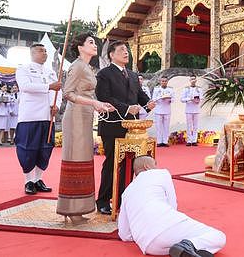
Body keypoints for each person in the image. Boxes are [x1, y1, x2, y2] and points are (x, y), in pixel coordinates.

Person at [56, 33, 115, 224]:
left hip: (85, 115)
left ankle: (76, 209)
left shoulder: (88, 67)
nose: (95, 45)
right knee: (75, 159)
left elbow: (87, 94)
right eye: (90, 42)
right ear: (80, 47)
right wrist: (94, 103)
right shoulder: (77, 66)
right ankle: (71, 210)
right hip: (75, 117)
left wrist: (100, 104)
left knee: (83, 159)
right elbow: (68, 93)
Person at [118, 156, 226, 256]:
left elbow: (124, 234)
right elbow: (172, 205)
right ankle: (188, 246)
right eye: (155, 164)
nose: (157, 167)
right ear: (147, 166)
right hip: (167, 225)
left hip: (149, 247)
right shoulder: (161, 173)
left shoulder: (127, 192)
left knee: (181, 242)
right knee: (218, 236)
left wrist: (141, 233)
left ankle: (187, 249)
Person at [95, 40, 155, 216]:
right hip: (113, 125)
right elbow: (104, 96)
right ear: (112, 55)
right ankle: (104, 200)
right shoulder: (104, 74)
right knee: (112, 163)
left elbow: (140, 96)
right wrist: (127, 108)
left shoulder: (133, 75)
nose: (126, 52)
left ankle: (124, 198)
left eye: (126, 50)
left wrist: (148, 103)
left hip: (133, 128)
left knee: (131, 162)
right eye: (121, 50)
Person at [15, 43, 63, 195]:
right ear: (32, 53)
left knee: (45, 149)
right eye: (40, 51)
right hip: (30, 115)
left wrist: (56, 105)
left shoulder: (50, 72)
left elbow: (58, 91)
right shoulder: (23, 68)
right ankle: (28, 180)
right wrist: (49, 86)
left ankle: (38, 179)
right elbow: (25, 86)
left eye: (45, 51)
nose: (44, 53)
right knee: (28, 148)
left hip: (48, 116)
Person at [152, 77, 173, 147]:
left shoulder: (170, 89)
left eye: (165, 81)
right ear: (160, 82)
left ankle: (165, 141)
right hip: (158, 109)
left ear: (167, 82)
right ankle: (159, 141)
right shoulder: (156, 89)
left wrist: (169, 99)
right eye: (162, 81)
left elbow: (173, 99)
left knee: (166, 126)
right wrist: (160, 97)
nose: (164, 82)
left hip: (167, 109)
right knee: (158, 126)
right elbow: (153, 99)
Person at [181, 75, 202, 147]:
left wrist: (197, 100)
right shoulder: (186, 89)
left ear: (196, 80)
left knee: (195, 126)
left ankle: (194, 140)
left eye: (194, 79)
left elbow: (202, 98)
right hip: (189, 109)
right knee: (189, 125)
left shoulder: (199, 89)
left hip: (196, 109)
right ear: (189, 80)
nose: (193, 80)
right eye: (191, 79)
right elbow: (182, 99)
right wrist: (190, 99)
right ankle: (189, 140)